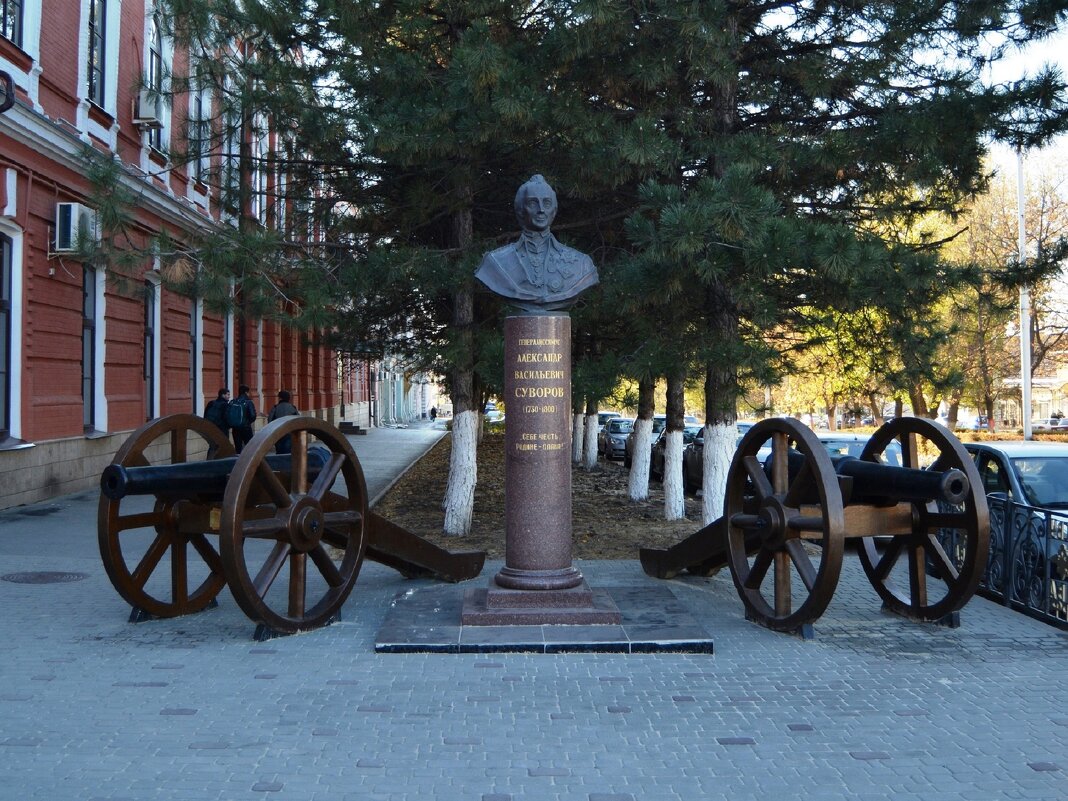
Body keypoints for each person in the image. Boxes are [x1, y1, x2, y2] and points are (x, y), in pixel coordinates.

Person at [475, 174, 599, 311]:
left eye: (546, 203)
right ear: (521, 210)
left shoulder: (582, 264)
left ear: (554, 210)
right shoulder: (496, 262)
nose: (541, 210)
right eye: (533, 203)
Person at [267, 390, 300, 454]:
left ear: (280, 398)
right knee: (288, 451)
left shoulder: (275, 407)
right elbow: (297, 420)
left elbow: (270, 420)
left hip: (278, 432)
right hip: (289, 432)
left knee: (279, 451)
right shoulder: (292, 407)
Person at [231, 384, 257, 454]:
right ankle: (249, 463)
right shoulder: (248, 402)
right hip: (246, 427)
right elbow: (253, 415)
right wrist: (248, 422)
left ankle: (238, 463)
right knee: (250, 448)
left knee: (238, 448)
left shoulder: (233, 401)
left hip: (235, 428)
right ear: (246, 392)